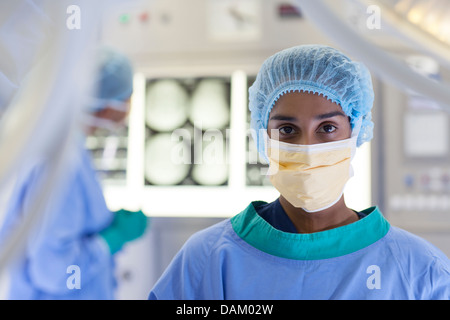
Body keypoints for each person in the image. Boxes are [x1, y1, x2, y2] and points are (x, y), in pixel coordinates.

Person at [148, 45, 450, 300]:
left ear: (356, 130)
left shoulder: (421, 272)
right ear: (263, 137)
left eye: (327, 128)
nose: (307, 148)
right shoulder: (210, 261)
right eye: (288, 130)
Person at [1, 47, 147, 299]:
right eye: (126, 96)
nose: (129, 104)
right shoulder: (63, 165)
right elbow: (54, 272)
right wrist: (110, 239)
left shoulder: (63, 147)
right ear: (105, 106)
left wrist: (105, 225)